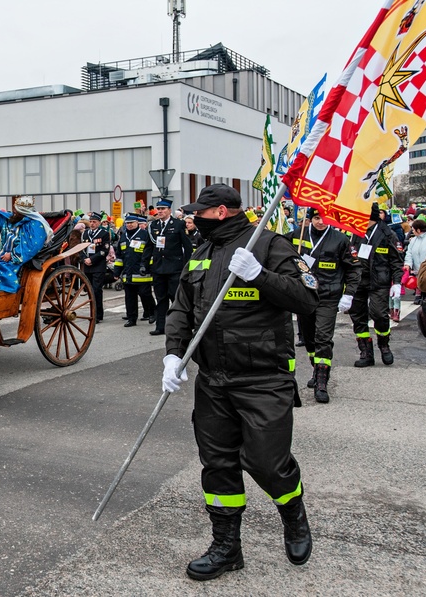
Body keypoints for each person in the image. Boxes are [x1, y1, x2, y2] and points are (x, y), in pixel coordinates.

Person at [162, 184, 319, 581]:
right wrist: (173, 354)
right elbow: (182, 307)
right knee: (218, 465)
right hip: (213, 379)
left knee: (267, 463)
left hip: (263, 378)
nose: (193, 216)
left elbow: (306, 298)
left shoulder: (268, 244)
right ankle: (227, 547)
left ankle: (294, 513)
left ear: (220, 212)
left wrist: (260, 275)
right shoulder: (201, 252)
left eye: (200, 211)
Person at [288, 208, 361, 403]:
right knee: (310, 339)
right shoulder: (297, 234)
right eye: (317, 218)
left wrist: (349, 294)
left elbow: (353, 268)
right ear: (311, 219)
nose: (321, 222)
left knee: (323, 338)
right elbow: (278, 253)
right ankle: (316, 368)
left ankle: (322, 382)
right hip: (304, 295)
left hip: (328, 296)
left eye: (324, 218)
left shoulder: (340, 239)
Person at [348, 203, 404, 367]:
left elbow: (396, 261)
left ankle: (384, 344)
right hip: (358, 281)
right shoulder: (355, 233)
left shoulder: (388, 234)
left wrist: (397, 282)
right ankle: (366, 352)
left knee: (379, 314)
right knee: (358, 316)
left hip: (379, 281)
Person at [0, 195, 52, 293]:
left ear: (24, 211)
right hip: (0, 255)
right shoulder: (14, 219)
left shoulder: (36, 226)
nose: (14, 211)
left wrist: (11, 255)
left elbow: (31, 247)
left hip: (14, 260)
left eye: (17, 209)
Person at [142, 197, 193, 336]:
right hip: (159, 268)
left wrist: (187, 266)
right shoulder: (153, 226)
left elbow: (186, 246)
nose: (160, 211)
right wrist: (144, 264)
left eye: (163, 209)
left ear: (169, 210)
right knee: (161, 298)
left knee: (175, 298)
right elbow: (148, 247)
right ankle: (161, 326)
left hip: (174, 267)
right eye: (158, 209)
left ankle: (180, 326)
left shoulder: (178, 224)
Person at [113, 213, 153, 327]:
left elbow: (149, 254)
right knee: (130, 298)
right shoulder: (124, 237)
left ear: (137, 223)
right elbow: (119, 256)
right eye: (127, 223)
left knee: (145, 294)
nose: (129, 225)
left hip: (141, 273)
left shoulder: (145, 235)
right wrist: (116, 271)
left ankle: (151, 312)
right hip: (128, 273)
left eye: (131, 223)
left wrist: (147, 267)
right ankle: (132, 318)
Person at [81, 212, 111, 323]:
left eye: (94, 222)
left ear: (99, 222)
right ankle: (92, 313)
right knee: (89, 290)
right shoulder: (85, 234)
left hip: (98, 265)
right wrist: (84, 259)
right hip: (87, 265)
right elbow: (81, 248)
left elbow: (105, 250)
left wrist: (92, 259)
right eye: (91, 221)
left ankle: (98, 314)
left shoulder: (103, 233)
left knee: (97, 289)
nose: (92, 224)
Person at [403, 218, 426, 305]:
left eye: (413, 229)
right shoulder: (413, 240)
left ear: (418, 230)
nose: (412, 231)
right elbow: (409, 253)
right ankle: (420, 297)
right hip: (417, 270)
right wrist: (408, 264)